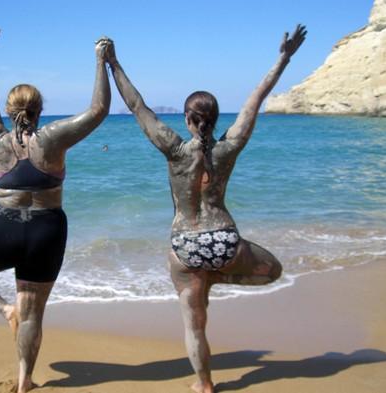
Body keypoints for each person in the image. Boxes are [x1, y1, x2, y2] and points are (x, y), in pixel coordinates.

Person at [105, 25, 306, 393]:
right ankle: (218, 275)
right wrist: (284, 57)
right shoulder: (228, 149)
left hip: (185, 247)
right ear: (215, 119)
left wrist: (113, 62)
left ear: (186, 118)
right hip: (226, 241)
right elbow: (256, 98)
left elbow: (137, 106)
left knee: (194, 324)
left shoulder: (175, 150)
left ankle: (204, 385)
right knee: (272, 270)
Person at [0, 9, 111, 393]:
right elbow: (99, 110)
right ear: (39, 110)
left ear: (9, 111)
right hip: (47, 229)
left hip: (2, 225)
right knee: (33, 311)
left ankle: (3, 308)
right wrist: (100, 62)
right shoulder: (51, 138)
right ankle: (24, 382)